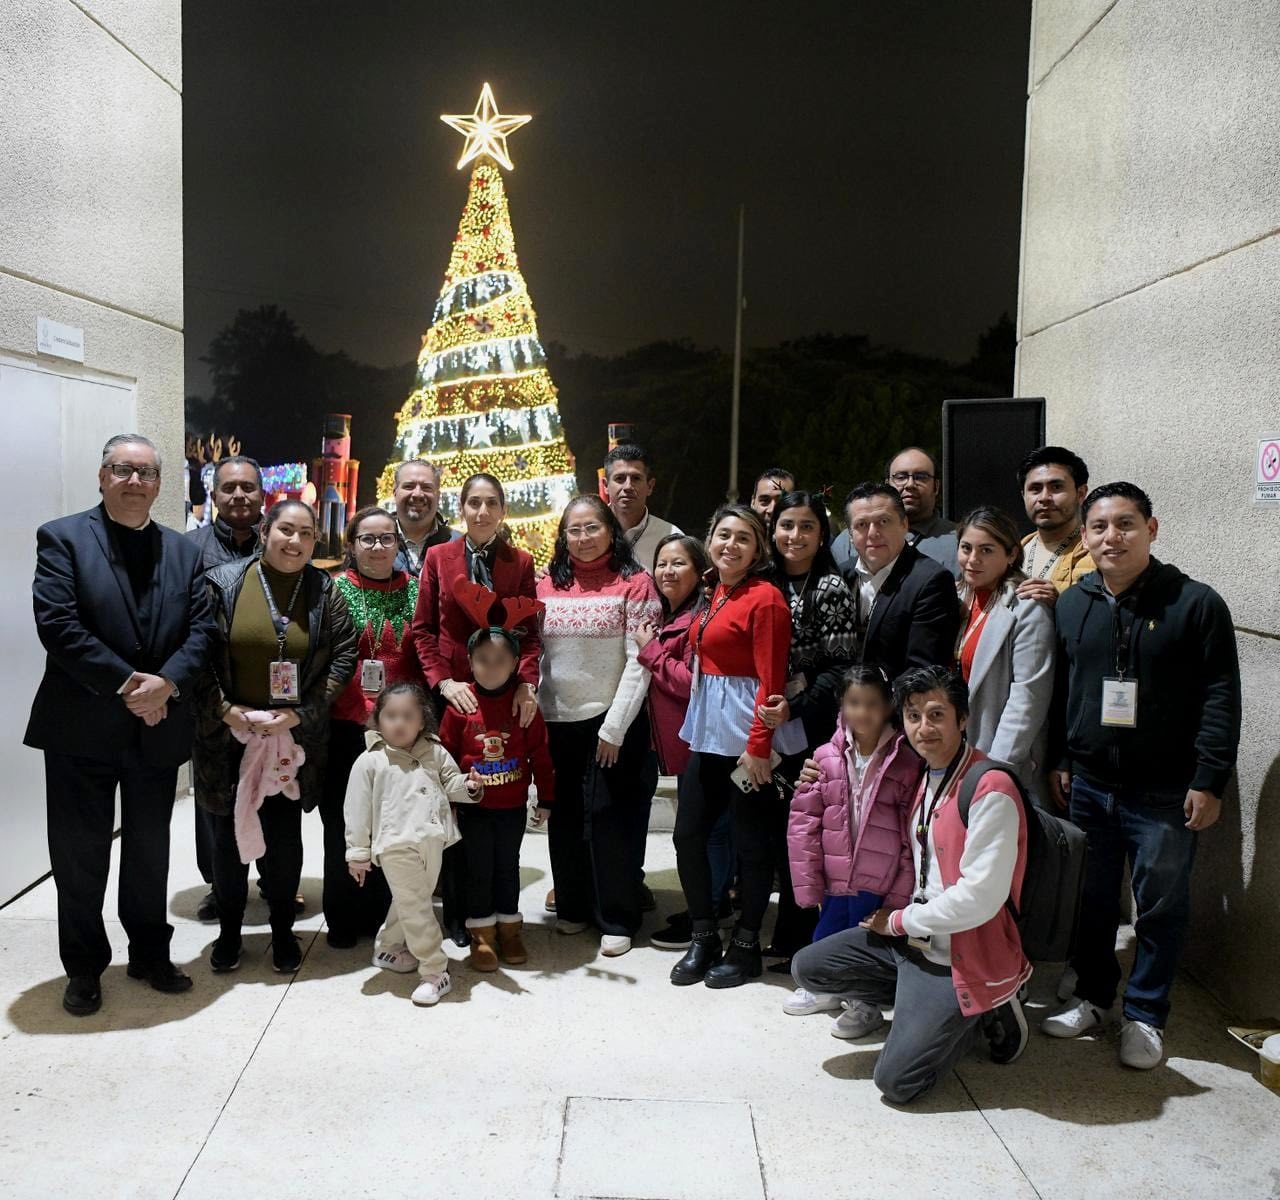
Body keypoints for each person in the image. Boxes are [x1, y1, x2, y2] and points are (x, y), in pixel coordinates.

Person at [1042, 482, 1240, 1070]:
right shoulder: (1074, 603)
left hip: (1166, 792)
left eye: (1125, 524)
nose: (1112, 537)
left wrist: (1209, 779)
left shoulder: (1195, 604)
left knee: (1158, 907)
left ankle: (1147, 1013)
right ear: (1085, 537)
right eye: (1099, 527)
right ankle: (1095, 995)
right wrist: (1061, 759)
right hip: (1089, 784)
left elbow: (1220, 697)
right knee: (1093, 901)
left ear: (1152, 529)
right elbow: (1063, 695)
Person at [26, 434, 215, 1016]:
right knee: (80, 856)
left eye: (146, 472)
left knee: (149, 851)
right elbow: (58, 626)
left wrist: (169, 683)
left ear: (161, 483)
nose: (135, 482)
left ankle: (149, 954)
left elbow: (202, 630)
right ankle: (84, 967)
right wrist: (135, 686)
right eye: (122, 470)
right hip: (81, 729)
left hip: (155, 727)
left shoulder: (184, 551)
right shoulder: (62, 538)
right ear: (102, 477)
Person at [792, 667, 1032, 1104]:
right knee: (809, 967)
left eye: (938, 714)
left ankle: (983, 1005)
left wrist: (900, 920)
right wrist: (816, 774)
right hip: (912, 940)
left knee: (896, 1083)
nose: (925, 727)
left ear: (963, 719)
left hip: (959, 951)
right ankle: (926, 1008)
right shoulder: (923, 774)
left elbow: (980, 898)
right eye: (914, 715)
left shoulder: (989, 788)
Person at [192, 500, 358, 975]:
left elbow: (342, 657)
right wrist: (224, 710)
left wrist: (300, 713)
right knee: (227, 840)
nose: (296, 541)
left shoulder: (324, 589)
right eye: (286, 530)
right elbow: (197, 651)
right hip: (229, 737)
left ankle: (283, 930)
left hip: (290, 739)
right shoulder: (222, 583)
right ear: (265, 532)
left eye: (306, 534)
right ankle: (229, 932)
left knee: (284, 844)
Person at [409, 472, 541, 945]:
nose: (482, 512)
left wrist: (525, 684)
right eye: (473, 503)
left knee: (495, 818)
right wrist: (443, 682)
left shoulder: (520, 560)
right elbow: (424, 629)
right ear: (461, 508)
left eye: (491, 503)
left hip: (504, 696)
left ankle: (494, 914)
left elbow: (530, 633)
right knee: (455, 809)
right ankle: (459, 914)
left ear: (503, 510)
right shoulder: (439, 558)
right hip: (455, 696)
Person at [669, 505, 791, 989]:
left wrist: (759, 745)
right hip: (708, 733)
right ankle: (704, 936)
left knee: (751, 846)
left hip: (745, 740)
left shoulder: (767, 599)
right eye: (723, 535)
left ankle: (744, 946)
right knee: (688, 836)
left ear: (759, 550)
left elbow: (771, 679)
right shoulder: (715, 589)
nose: (731, 545)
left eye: (744, 538)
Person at [538, 496, 663, 957]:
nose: (585, 538)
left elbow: (641, 661)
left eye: (593, 528)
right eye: (575, 530)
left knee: (612, 822)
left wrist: (613, 727)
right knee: (565, 818)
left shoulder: (636, 583)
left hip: (612, 724)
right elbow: (537, 654)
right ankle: (572, 906)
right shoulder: (546, 584)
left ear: (611, 530)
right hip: (557, 721)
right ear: (563, 536)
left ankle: (617, 916)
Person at [755, 491, 859, 967]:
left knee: (809, 831)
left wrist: (793, 709)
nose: (794, 536)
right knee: (774, 830)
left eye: (806, 527)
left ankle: (808, 935)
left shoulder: (832, 587)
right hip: (762, 724)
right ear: (772, 532)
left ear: (822, 536)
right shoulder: (762, 582)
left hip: (810, 727)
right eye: (786, 526)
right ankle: (786, 926)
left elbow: (839, 669)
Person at [784, 666, 921, 1015]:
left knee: (868, 938)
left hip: (879, 876)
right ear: (842, 706)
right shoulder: (825, 757)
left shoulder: (906, 762)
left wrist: (899, 893)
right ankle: (824, 987)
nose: (863, 712)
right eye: (854, 702)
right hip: (835, 871)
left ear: (890, 705)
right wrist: (808, 881)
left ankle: (865, 1000)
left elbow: (911, 833)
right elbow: (804, 822)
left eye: (873, 702)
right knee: (828, 930)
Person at [320, 506, 425, 952]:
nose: (378, 547)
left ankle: (384, 913)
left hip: (400, 730)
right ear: (352, 545)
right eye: (368, 539)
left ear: (398, 544)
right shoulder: (334, 590)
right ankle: (343, 915)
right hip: (346, 726)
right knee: (344, 824)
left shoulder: (417, 590)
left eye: (387, 539)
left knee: (392, 827)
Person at [344, 683, 481, 1007]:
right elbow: (356, 811)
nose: (399, 723)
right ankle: (435, 971)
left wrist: (470, 786)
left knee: (411, 900)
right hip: (394, 844)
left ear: (423, 721)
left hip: (434, 840)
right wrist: (358, 852)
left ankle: (389, 946)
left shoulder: (434, 751)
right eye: (391, 716)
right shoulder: (370, 761)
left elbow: (451, 783)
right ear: (378, 720)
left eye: (408, 716)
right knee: (418, 907)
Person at [632, 535, 732, 949]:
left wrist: (651, 651)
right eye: (662, 564)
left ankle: (706, 913)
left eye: (678, 564)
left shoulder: (700, 619)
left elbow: (694, 685)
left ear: (699, 570)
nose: (667, 572)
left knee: (705, 833)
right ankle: (710, 906)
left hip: (705, 742)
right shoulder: (671, 614)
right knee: (709, 830)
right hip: (687, 744)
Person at [439, 615, 554, 971]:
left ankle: (509, 929)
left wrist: (546, 799)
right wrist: (449, 799)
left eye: (500, 660)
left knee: (507, 867)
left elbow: (541, 755)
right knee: (478, 870)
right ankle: (483, 935)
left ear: (516, 664)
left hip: (511, 808)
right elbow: (442, 757)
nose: (491, 668)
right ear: (470, 663)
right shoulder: (460, 707)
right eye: (483, 660)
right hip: (473, 810)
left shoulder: (524, 706)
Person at [187, 454, 266, 924]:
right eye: (229, 488)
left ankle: (277, 881)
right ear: (214, 495)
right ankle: (220, 884)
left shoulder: (280, 546)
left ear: (262, 495)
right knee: (215, 796)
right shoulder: (188, 550)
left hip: (270, 701)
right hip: (212, 699)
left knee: (273, 791)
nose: (239, 496)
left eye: (248, 488)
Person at [954, 506, 1055, 805]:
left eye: (986, 550)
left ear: (1011, 555)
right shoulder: (953, 597)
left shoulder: (1028, 608)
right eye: (966, 548)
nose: (973, 560)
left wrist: (996, 771)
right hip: (950, 752)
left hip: (997, 758)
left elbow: (1028, 698)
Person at [838, 482, 960, 676]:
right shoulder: (839, 575)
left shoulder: (931, 581)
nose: (872, 533)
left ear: (904, 525)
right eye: (861, 525)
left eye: (883, 521)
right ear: (850, 535)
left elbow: (923, 670)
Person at [833, 447, 956, 571]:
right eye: (901, 477)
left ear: (936, 486)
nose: (910, 484)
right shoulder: (850, 539)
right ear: (887, 485)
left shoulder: (960, 541)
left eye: (921, 477)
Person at [1016, 445, 1096, 606]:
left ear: (1080, 493)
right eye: (1035, 489)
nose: (1044, 497)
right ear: (1023, 495)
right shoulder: (1014, 551)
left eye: (1056, 487)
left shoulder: (1096, 553)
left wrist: (1060, 603)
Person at [602, 443, 683, 571]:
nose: (628, 486)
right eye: (620, 478)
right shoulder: (588, 534)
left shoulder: (671, 537)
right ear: (605, 485)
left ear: (650, 486)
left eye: (636, 478)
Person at [390, 459, 457, 576]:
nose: (417, 494)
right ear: (395, 493)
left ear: (438, 496)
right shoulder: (371, 542)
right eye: (409, 486)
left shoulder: (459, 545)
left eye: (426, 487)